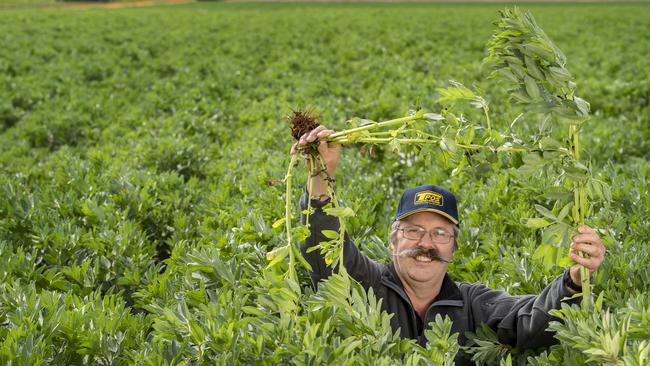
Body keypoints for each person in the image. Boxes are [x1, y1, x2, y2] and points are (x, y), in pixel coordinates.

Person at [291, 126, 607, 365]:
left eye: (441, 233)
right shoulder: (365, 284)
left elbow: (530, 322)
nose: (426, 243)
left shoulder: (473, 304)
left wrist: (573, 280)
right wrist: (321, 175)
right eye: (413, 230)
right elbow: (323, 248)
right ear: (393, 240)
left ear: (454, 248)